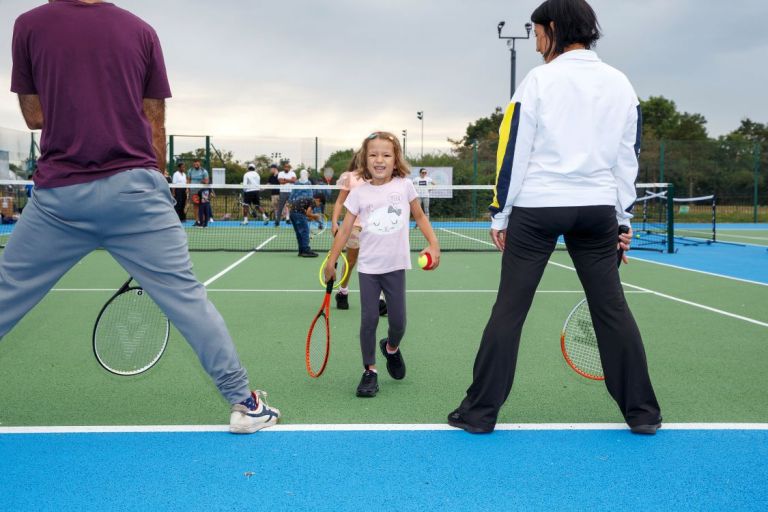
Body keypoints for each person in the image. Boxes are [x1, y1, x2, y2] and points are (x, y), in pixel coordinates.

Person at [6, 0, 279, 433]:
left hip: (60, 196)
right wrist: (156, 183)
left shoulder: (28, 25)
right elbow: (154, 121)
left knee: (6, 293)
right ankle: (245, 404)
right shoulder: (142, 31)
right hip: (135, 192)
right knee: (188, 301)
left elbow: (35, 116)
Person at [447, 0, 661, 435]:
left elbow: (514, 150)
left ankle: (479, 413)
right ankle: (643, 413)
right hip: (598, 210)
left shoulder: (539, 81)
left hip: (538, 207)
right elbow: (628, 157)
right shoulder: (621, 84)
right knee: (612, 309)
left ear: (553, 28)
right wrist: (623, 218)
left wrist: (499, 214)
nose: (535, 42)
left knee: (510, 310)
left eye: (536, 31)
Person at [324, 131, 440, 397]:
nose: (379, 160)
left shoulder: (404, 186)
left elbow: (420, 216)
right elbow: (344, 231)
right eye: (373, 155)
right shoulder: (359, 193)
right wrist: (332, 261)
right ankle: (370, 371)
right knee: (369, 319)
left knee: (398, 322)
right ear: (365, 159)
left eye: (386, 155)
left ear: (395, 158)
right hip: (368, 268)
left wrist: (434, 244)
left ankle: (391, 348)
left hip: (396, 266)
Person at [331, 151, 388, 316]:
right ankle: (343, 291)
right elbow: (340, 200)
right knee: (351, 260)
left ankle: (380, 299)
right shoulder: (350, 177)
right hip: (353, 226)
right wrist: (334, 222)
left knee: (376, 260)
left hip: (375, 227)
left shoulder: (380, 176)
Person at [287, 174, 322, 257]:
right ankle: (306, 250)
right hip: (297, 214)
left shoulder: (308, 200)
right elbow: (308, 213)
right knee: (305, 231)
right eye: (319, 203)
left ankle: (301, 250)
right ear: (318, 200)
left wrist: (314, 217)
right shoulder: (313, 201)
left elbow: (307, 215)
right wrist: (315, 216)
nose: (318, 205)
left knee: (299, 233)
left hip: (292, 213)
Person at [188, 158, 209, 227]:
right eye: (195, 163)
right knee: (195, 206)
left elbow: (207, 182)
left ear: (199, 163)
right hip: (193, 191)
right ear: (193, 164)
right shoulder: (190, 170)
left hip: (203, 191)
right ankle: (197, 221)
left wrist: (202, 181)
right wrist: (188, 189)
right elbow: (188, 180)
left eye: (197, 163)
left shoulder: (204, 171)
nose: (196, 164)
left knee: (203, 207)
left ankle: (203, 221)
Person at [275, 162, 296, 227]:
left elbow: (294, 181)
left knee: (291, 207)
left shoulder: (293, 173)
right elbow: (281, 182)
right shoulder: (280, 173)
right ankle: (277, 221)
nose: (286, 168)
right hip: (283, 192)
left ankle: (289, 219)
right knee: (280, 207)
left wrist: (285, 180)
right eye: (285, 167)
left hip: (291, 192)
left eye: (288, 167)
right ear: (284, 167)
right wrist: (289, 180)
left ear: (289, 168)